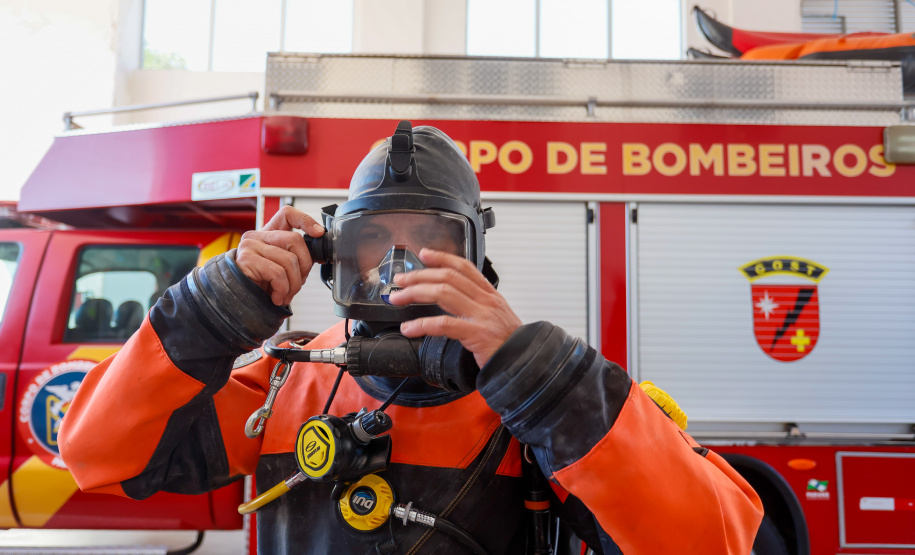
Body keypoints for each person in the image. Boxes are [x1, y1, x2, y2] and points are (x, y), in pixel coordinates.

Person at [59, 122, 763, 554]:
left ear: (476, 256)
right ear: (336, 253)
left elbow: (713, 540)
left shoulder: (539, 398)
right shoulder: (293, 379)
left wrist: (540, 376)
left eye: (429, 243)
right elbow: (94, 453)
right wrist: (209, 308)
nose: (398, 269)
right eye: (375, 243)